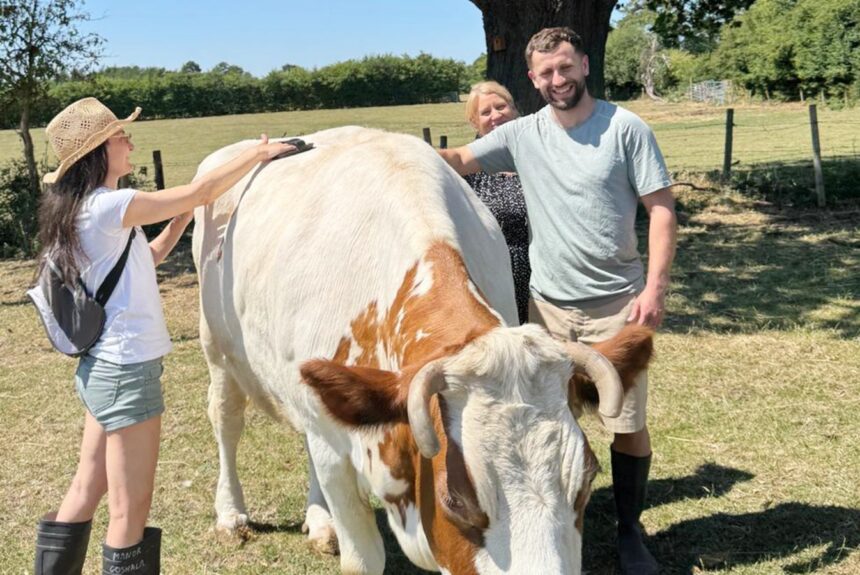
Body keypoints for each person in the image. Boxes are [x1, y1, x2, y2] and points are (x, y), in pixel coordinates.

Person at [439, 27, 677, 575]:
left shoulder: (625, 128)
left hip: (617, 304)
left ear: (585, 64)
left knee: (626, 422)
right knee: (547, 421)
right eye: (546, 73)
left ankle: (629, 532)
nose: (558, 80)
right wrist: (389, 151)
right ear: (531, 79)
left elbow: (661, 209)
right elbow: (456, 158)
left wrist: (654, 291)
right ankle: (557, 521)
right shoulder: (522, 134)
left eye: (565, 68)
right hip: (545, 311)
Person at [32, 97, 294, 575]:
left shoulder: (89, 210)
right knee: (130, 511)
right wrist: (258, 154)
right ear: (97, 153)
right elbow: (201, 187)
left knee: (86, 488)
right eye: (120, 137)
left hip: (104, 370)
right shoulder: (111, 206)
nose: (130, 142)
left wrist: (181, 222)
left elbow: (145, 259)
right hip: (126, 372)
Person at [462, 81, 531, 324]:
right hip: (492, 283)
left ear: (514, 109)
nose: (495, 116)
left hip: (546, 282)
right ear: (474, 123)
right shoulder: (465, 172)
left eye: (501, 107)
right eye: (485, 112)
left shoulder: (537, 156)